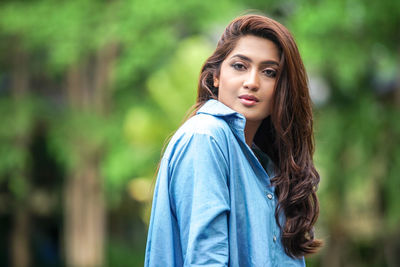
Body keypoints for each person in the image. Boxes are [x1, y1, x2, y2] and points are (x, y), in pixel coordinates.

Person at [145, 14, 322, 266]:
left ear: (282, 88)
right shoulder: (206, 137)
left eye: (269, 72)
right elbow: (206, 260)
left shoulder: (267, 167)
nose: (252, 82)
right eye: (240, 66)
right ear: (215, 76)